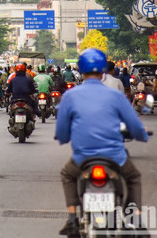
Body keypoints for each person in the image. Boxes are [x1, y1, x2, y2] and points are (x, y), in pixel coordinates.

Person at [55, 48, 149, 237]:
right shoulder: (115, 96)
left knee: (67, 174)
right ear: (103, 69)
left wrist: (64, 138)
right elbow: (135, 126)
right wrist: (143, 135)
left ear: (81, 70)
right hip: (115, 157)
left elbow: (62, 133)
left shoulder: (70, 96)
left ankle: (73, 217)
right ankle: (135, 219)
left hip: (83, 159)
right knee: (133, 178)